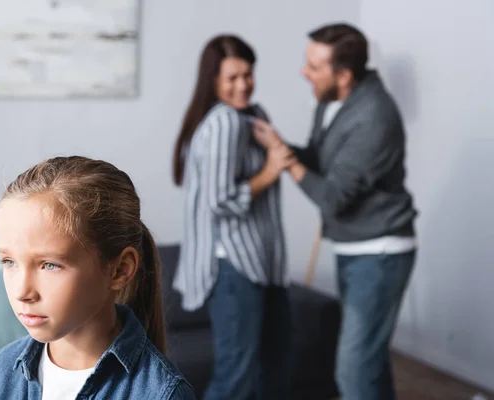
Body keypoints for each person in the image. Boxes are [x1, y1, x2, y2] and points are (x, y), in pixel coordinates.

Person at [253, 23, 418, 400]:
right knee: (369, 365)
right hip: (354, 247)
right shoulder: (330, 101)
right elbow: (322, 160)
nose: (303, 72)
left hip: (379, 254)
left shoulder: (374, 116)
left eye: (313, 66)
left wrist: (286, 163)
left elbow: (334, 197)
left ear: (343, 75)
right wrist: (280, 145)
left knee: (353, 369)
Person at [0, 156, 195, 400]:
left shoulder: (162, 393)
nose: (22, 292)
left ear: (119, 270)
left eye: (49, 265)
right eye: (9, 262)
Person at [171, 34, 295, 400]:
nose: (243, 84)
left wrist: (275, 148)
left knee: (274, 365)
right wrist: (271, 170)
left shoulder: (251, 115)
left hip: (261, 259)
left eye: (248, 74)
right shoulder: (224, 122)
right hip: (233, 263)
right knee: (237, 376)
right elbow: (219, 200)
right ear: (213, 80)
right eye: (232, 77)